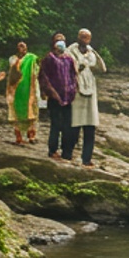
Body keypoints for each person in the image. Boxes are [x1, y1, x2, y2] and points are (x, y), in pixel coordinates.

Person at [67, 28, 106, 167]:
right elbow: (66, 67)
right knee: (74, 125)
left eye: (87, 37)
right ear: (78, 37)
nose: (84, 39)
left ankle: (87, 158)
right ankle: (68, 154)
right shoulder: (70, 51)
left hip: (90, 88)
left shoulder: (91, 52)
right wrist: (79, 68)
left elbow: (101, 67)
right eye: (82, 37)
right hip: (76, 88)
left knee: (90, 127)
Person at [39, 33, 79, 159]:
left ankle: (67, 152)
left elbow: (74, 75)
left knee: (68, 125)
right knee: (56, 125)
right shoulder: (49, 58)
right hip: (55, 97)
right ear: (53, 43)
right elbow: (43, 77)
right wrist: (51, 92)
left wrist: (74, 89)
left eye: (63, 40)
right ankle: (53, 150)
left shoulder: (69, 59)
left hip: (69, 97)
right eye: (58, 40)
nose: (60, 42)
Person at [0, 41, 32, 145]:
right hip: (14, 88)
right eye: (19, 46)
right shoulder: (12, 59)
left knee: (29, 112)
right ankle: (18, 136)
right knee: (15, 113)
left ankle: (31, 135)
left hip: (27, 89)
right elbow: (10, 71)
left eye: (23, 46)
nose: (21, 47)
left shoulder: (31, 59)